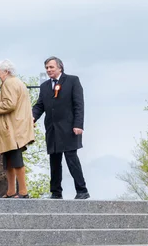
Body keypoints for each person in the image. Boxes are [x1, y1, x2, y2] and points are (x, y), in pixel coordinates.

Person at [32, 56, 90, 200]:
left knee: (71, 158)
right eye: (46, 68)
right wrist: (32, 117)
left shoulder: (72, 81)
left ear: (60, 67)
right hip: (52, 129)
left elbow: (79, 105)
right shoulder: (45, 86)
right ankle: (56, 192)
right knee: (54, 161)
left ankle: (82, 190)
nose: (48, 70)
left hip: (69, 128)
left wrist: (78, 124)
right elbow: (40, 105)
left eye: (51, 67)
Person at [0, 60, 35, 198]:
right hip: (15, 126)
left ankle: (23, 192)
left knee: (16, 160)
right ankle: (11, 191)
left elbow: (9, 104)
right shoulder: (17, 82)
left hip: (12, 128)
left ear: (6, 71)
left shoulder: (9, 83)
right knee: (9, 161)